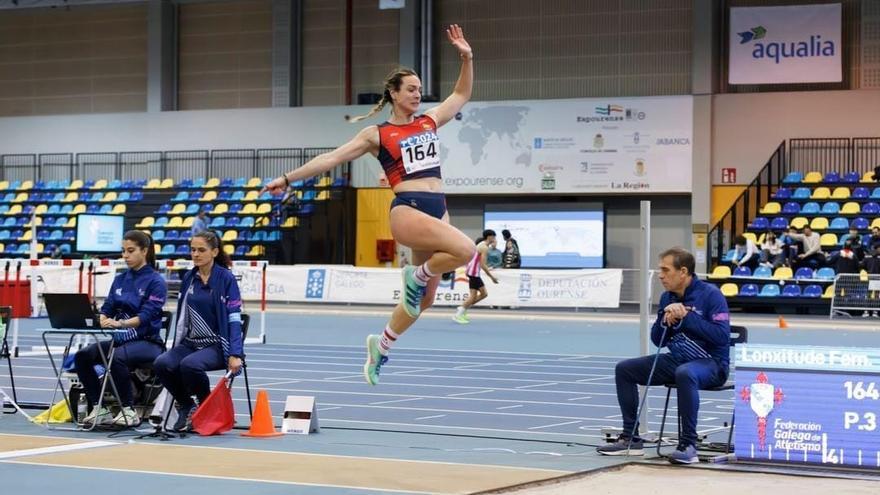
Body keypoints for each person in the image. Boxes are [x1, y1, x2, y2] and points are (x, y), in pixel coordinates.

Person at [261, 25, 475, 386]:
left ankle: (382, 345)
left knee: (423, 301)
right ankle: (416, 274)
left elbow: (461, 94)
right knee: (465, 249)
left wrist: (466, 57)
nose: (417, 95)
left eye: (420, 90)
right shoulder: (376, 134)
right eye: (410, 89)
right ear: (393, 93)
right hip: (408, 208)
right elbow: (330, 159)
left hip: (438, 206)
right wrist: (287, 178)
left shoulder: (429, 121)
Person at [597, 247, 730, 464]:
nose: (660, 275)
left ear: (683, 272)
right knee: (625, 369)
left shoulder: (711, 295)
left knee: (685, 373)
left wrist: (687, 317)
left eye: (665, 270)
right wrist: (665, 321)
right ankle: (631, 438)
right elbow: (658, 340)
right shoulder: (667, 296)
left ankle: (688, 445)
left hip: (712, 364)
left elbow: (722, 337)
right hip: (678, 360)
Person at [153, 230, 243, 432]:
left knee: (189, 365)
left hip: (217, 345)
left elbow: (234, 318)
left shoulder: (226, 279)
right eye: (193, 250)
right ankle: (187, 405)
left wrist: (236, 353)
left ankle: (206, 407)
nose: (195, 254)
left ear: (214, 252)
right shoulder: (189, 278)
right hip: (191, 343)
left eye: (201, 250)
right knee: (162, 363)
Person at [77, 231, 166, 427]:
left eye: (131, 251)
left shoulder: (156, 281)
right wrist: (102, 318)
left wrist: (121, 324)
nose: (125, 255)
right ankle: (99, 408)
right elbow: (107, 307)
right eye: (123, 251)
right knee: (82, 356)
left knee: (116, 356)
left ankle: (128, 410)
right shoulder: (120, 279)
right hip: (120, 339)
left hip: (148, 342)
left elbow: (146, 316)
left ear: (144, 251)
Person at [453, 230, 499, 324]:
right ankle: (460, 312)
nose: (495, 239)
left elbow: (478, 261)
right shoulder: (484, 247)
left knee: (482, 294)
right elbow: (482, 264)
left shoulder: (482, 244)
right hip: (473, 273)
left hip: (472, 272)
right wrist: (492, 277)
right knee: (477, 295)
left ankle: (463, 308)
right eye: (494, 237)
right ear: (489, 237)